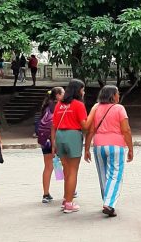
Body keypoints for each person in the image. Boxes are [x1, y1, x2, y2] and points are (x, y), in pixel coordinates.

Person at [84, 85, 134, 217]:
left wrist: (87, 148)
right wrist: (130, 148)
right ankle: (109, 203)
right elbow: (126, 130)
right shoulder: (119, 108)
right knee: (115, 175)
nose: (119, 96)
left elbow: (91, 130)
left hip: (98, 145)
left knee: (103, 174)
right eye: (117, 93)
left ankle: (106, 200)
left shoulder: (96, 108)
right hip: (116, 146)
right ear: (112, 96)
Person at [51, 79, 88, 214]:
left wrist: (53, 143)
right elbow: (85, 125)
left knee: (66, 170)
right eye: (82, 90)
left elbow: (53, 125)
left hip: (60, 136)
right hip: (73, 136)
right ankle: (69, 203)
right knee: (73, 171)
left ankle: (66, 198)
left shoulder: (59, 104)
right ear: (78, 91)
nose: (83, 92)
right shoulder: (78, 105)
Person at [38, 87, 64, 203]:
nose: (65, 95)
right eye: (63, 93)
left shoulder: (46, 107)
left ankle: (45, 194)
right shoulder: (60, 107)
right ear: (57, 95)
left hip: (45, 141)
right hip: (57, 140)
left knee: (48, 167)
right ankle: (70, 191)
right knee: (67, 165)